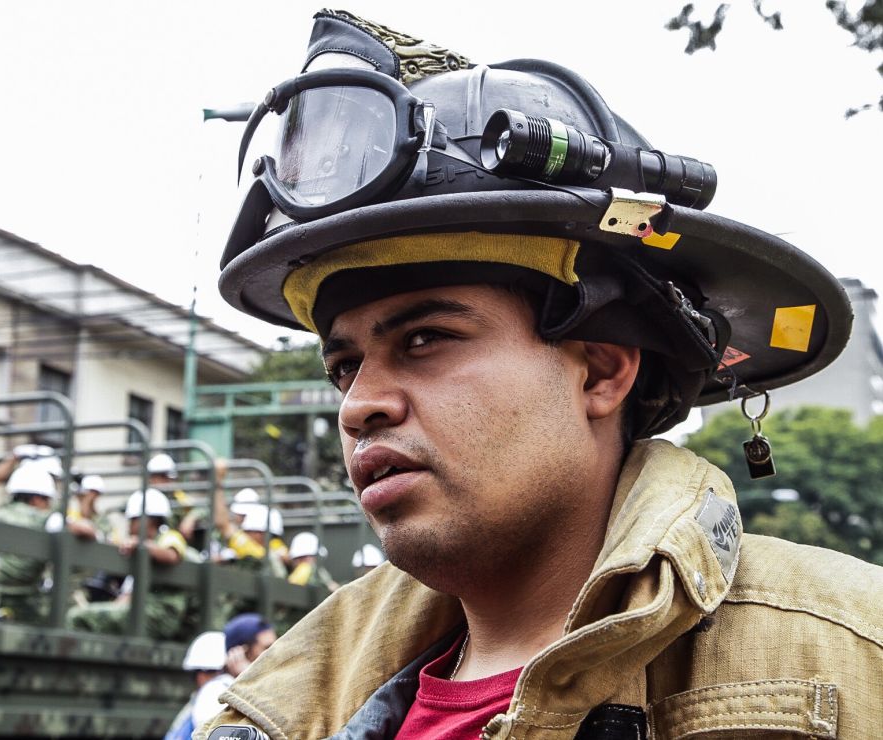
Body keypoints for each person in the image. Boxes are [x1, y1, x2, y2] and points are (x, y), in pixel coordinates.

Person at [197, 10, 882, 739]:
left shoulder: (848, 656)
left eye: (426, 338)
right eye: (344, 366)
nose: (359, 405)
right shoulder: (273, 715)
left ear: (601, 371)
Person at [66, 487, 190, 640]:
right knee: (86, 617)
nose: (130, 526)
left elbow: (172, 556)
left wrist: (141, 544)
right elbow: (126, 598)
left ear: (149, 520)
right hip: (140, 610)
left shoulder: (168, 536)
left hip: (158, 615)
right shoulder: (142, 551)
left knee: (77, 618)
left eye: (133, 520)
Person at [0, 465, 96, 623]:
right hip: (22, 597)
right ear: (36, 499)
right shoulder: (45, 518)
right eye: (47, 500)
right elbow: (87, 530)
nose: (48, 505)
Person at [192, 614, 276, 733]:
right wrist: (249, 678)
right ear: (241, 652)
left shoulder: (270, 684)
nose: (274, 653)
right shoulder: (214, 692)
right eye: (267, 648)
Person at [164, 631, 227, 740]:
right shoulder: (197, 704)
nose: (201, 678)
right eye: (199, 672)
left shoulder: (209, 703)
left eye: (210, 672)